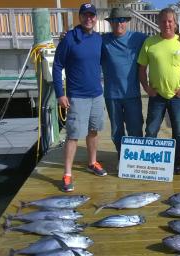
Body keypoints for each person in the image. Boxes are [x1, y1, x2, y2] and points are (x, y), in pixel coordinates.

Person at [53, 3, 107, 192]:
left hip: (97, 94)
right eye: (85, 15)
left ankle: (92, 162)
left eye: (92, 15)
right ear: (80, 17)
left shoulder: (99, 39)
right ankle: (67, 174)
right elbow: (57, 66)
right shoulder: (69, 38)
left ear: (96, 18)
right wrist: (60, 94)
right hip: (77, 97)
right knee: (73, 135)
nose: (89, 18)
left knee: (94, 130)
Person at [138, 8, 180, 175]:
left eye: (170, 21)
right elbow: (142, 68)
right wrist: (146, 88)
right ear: (158, 23)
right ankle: (151, 163)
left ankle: (176, 161)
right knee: (150, 131)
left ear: (175, 23)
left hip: (177, 97)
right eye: (163, 21)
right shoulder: (150, 42)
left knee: (178, 131)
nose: (167, 24)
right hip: (156, 96)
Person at [101, 8, 146, 162]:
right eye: (115, 20)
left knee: (135, 128)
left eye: (122, 20)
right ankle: (123, 158)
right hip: (112, 95)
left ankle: (137, 159)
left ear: (127, 22)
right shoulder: (102, 40)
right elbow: (84, 42)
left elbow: (161, 41)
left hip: (132, 94)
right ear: (110, 23)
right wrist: (67, 36)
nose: (118, 23)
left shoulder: (138, 38)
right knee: (116, 131)